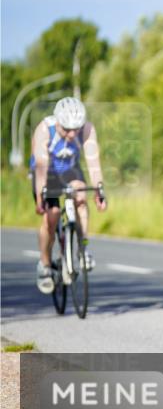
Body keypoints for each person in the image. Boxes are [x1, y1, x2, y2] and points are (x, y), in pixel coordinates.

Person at [30, 96, 107, 294]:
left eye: (77, 128)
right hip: (47, 172)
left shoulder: (87, 129)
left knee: (81, 196)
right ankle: (45, 265)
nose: (73, 134)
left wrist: (99, 189)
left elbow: (93, 162)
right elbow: (41, 164)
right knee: (53, 213)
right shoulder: (44, 130)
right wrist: (40, 196)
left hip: (70, 170)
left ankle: (83, 249)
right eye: (67, 129)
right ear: (58, 122)